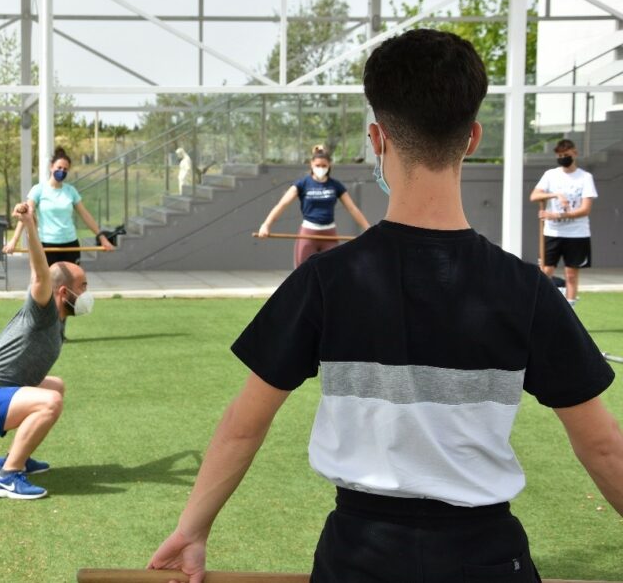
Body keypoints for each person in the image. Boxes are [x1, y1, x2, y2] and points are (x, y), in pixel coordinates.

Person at [148, 30, 622, 583]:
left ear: (377, 138)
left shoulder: (325, 280)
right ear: (473, 137)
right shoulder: (527, 290)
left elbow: (242, 425)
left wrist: (193, 529)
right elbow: (603, 447)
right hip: (487, 560)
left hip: (357, 559)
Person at [0, 200, 93, 500]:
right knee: (50, 401)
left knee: (55, 385)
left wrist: (32, 224)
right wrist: (30, 225)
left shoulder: (56, 317)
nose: (87, 293)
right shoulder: (42, 312)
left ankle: (18, 456)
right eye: (83, 286)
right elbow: (41, 275)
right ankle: (5, 477)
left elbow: (40, 275)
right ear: (63, 292)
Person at [255, 145, 370, 267]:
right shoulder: (302, 184)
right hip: (308, 233)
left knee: (331, 272)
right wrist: (266, 225)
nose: (321, 168)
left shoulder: (335, 185)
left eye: (324, 166)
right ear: (311, 164)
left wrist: (368, 229)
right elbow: (282, 205)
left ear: (329, 165)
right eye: (318, 165)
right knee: (303, 272)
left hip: (329, 234)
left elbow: (352, 208)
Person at [3, 147, 114, 266]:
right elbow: (25, 216)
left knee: (74, 278)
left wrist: (102, 238)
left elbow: (85, 215)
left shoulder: (71, 191)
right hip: (46, 245)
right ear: (51, 167)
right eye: (59, 167)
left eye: (65, 169)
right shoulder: (38, 190)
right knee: (47, 278)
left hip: (70, 244)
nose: (62, 171)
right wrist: (14, 241)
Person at [529, 138, 598, 307]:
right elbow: (535, 196)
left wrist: (557, 215)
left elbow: (585, 209)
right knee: (546, 271)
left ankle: (571, 309)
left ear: (574, 153)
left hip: (577, 233)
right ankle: (542, 306)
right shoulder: (550, 175)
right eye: (559, 156)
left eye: (566, 155)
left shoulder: (585, 177)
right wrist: (556, 195)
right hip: (553, 232)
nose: (563, 158)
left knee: (571, 274)